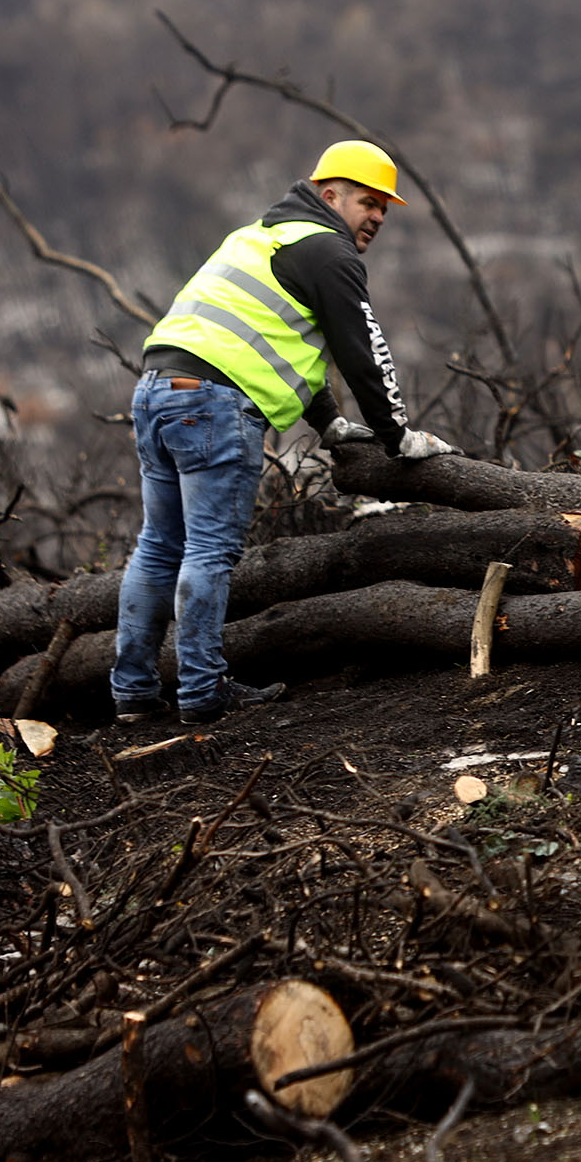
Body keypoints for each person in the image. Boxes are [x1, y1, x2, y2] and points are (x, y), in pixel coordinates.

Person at [113, 140, 456, 724]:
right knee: (208, 551)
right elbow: (364, 354)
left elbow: (271, 341)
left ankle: (134, 694)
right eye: (368, 202)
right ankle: (201, 693)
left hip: (156, 392)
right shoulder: (331, 253)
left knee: (159, 549)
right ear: (330, 195)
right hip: (215, 406)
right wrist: (397, 436)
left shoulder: (260, 236)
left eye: (384, 208)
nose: (377, 216)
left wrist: (327, 424)